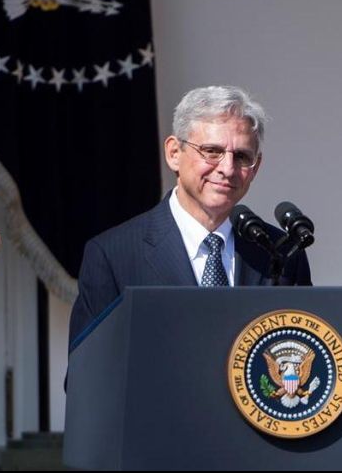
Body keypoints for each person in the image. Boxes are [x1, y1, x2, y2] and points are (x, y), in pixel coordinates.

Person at [68, 85, 311, 346]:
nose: (228, 169)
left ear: (255, 167)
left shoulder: (281, 253)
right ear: (174, 153)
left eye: (241, 156)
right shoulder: (113, 256)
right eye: (212, 151)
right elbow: (89, 367)